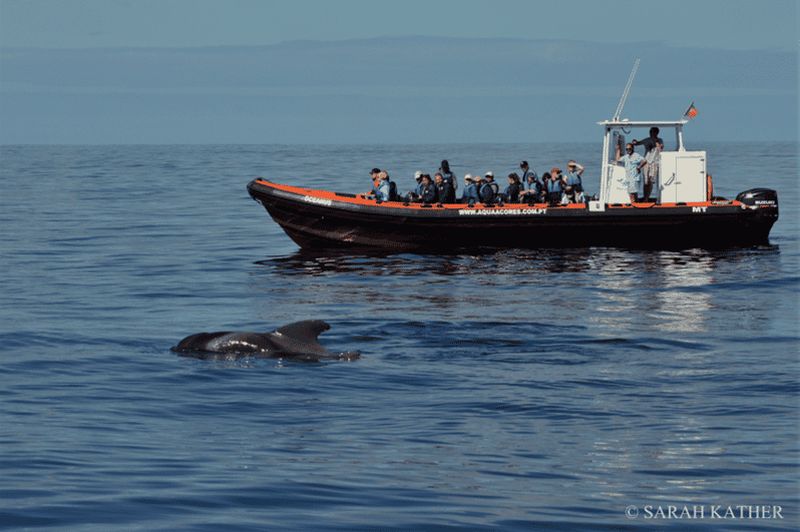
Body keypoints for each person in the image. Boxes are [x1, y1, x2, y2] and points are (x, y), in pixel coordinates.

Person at [632, 127, 664, 201]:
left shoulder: (659, 140)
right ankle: (645, 197)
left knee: (651, 180)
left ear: (657, 133)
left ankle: (647, 197)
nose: (651, 133)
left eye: (653, 132)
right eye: (650, 132)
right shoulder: (647, 139)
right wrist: (634, 142)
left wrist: (658, 144)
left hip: (654, 162)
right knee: (646, 181)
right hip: (646, 162)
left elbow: (661, 148)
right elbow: (638, 143)